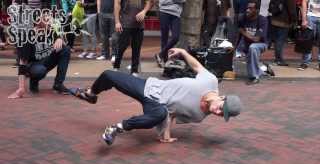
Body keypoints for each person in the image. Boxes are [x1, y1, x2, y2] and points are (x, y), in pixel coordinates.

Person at [71, 48, 242, 145]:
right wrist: (182, 52)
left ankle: (116, 128)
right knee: (109, 74)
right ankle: (91, 94)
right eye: (221, 108)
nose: (218, 112)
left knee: (160, 113)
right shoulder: (210, 81)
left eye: (222, 115)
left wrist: (165, 134)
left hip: (156, 107)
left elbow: (172, 113)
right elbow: (197, 66)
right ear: (223, 98)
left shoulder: (198, 116)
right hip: (149, 87)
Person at [8, 8, 71, 99]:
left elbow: (63, 45)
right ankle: (33, 81)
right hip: (31, 66)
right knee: (40, 70)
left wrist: (59, 39)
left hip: (44, 61)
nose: (48, 21)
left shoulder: (49, 31)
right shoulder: (27, 36)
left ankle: (58, 84)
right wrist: (21, 88)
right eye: (45, 19)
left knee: (65, 49)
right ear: (38, 22)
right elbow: (22, 62)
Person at [113, 0, 154, 76]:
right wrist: (117, 22)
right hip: (125, 23)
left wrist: (144, 11)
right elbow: (117, 4)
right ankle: (116, 65)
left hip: (139, 24)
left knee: (137, 48)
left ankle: (134, 70)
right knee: (122, 46)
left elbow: (149, 2)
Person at [237, 0, 270, 85]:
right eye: (247, 8)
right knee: (251, 66)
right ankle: (264, 70)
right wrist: (235, 48)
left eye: (251, 8)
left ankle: (255, 77)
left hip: (261, 45)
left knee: (253, 47)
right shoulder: (243, 18)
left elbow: (256, 39)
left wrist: (243, 32)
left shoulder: (262, 20)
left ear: (257, 10)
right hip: (247, 45)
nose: (247, 10)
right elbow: (238, 35)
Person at [154, 0, 185, 67]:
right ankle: (164, 61)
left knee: (176, 37)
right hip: (164, 12)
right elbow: (162, 2)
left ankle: (160, 55)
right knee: (164, 38)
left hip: (176, 14)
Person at [269, 0, 297, 66]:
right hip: (284, 21)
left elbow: (270, 7)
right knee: (280, 41)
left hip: (274, 20)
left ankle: (277, 59)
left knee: (277, 41)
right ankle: (279, 60)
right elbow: (292, 10)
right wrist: (295, 21)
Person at [297, 0, 320, 71]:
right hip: (310, 16)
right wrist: (304, 19)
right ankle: (305, 62)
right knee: (307, 41)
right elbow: (304, 2)